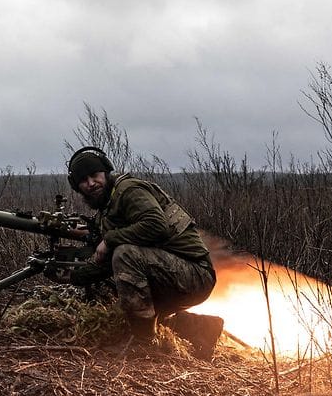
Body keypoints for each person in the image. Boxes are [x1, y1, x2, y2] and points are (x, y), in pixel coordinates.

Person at [67, 146, 224, 359]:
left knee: (125, 254)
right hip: (171, 276)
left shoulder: (128, 191)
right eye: (83, 181)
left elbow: (156, 226)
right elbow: (106, 262)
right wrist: (75, 274)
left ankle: (144, 344)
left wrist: (110, 240)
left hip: (195, 274)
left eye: (94, 175)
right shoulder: (107, 209)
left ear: (105, 172)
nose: (91, 183)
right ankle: (203, 329)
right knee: (123, 303)